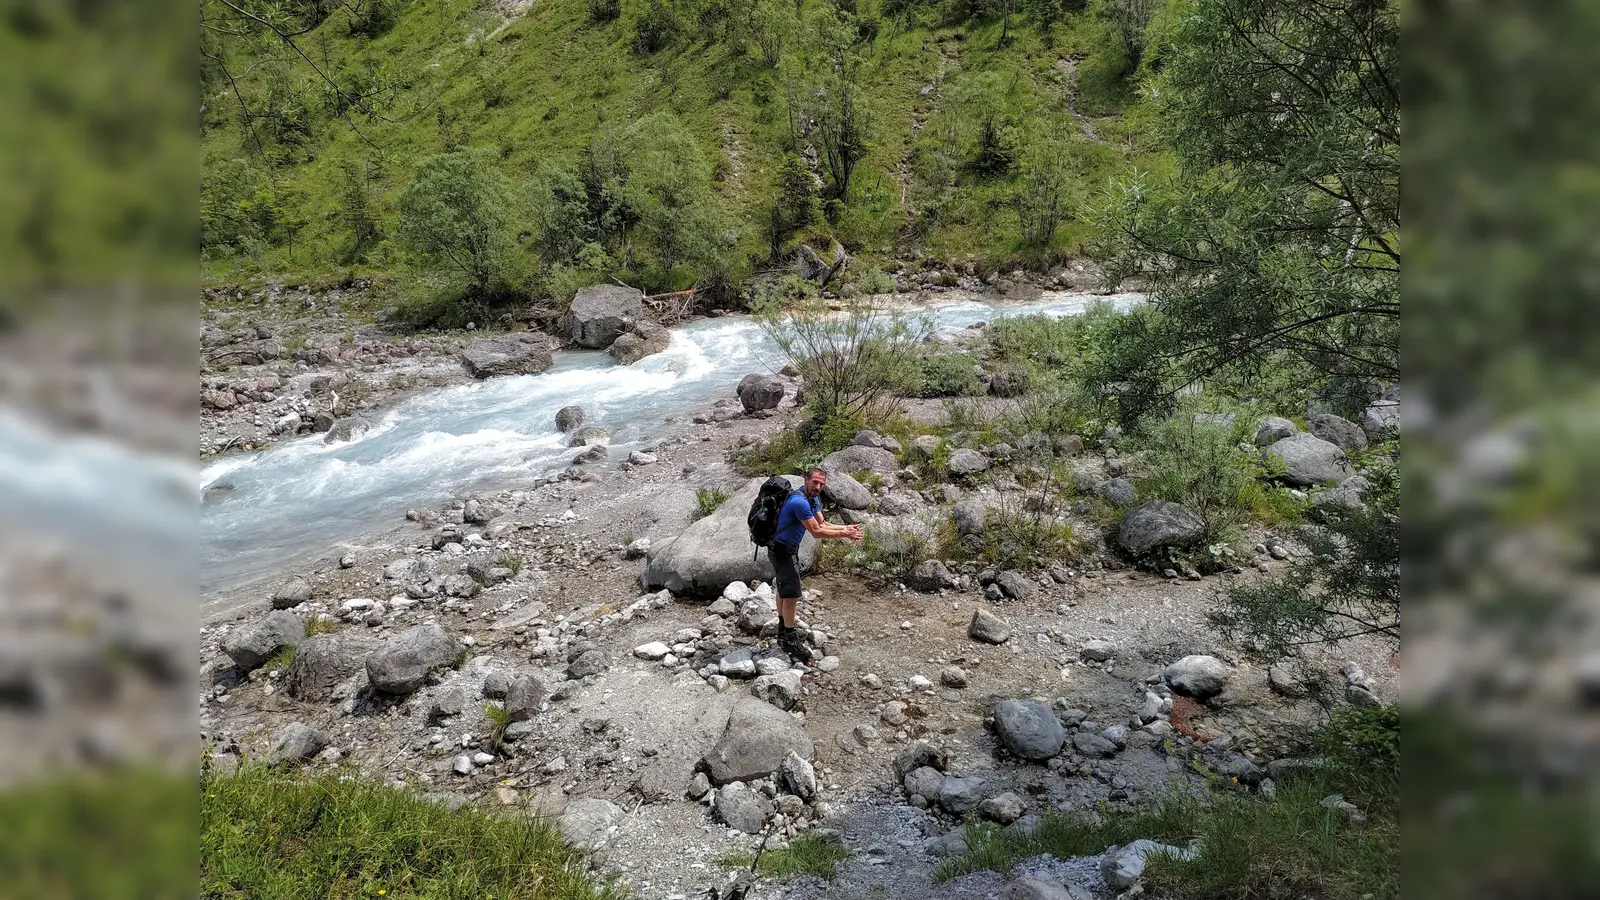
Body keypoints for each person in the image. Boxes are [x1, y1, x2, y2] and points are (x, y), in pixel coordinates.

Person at [769, 467, 863, 660]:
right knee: (792, 595)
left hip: (787, 550)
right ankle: (789, 638)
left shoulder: (812, 499)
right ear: (806, 480)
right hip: (781, 551)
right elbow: (816, 532)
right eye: (815, 482)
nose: (818, 487)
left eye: (821, 484)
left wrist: (846, 528)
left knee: (784, 590)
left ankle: (782, 631)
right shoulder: (799, 502)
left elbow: (823, 524)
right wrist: (846, 534)